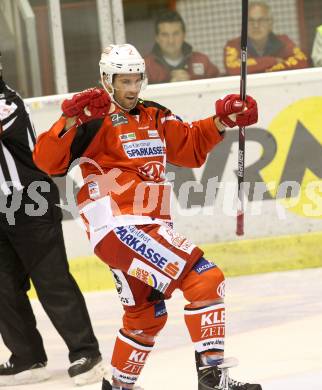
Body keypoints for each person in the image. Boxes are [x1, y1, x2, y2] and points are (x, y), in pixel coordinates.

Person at [33, 43, 261, 390]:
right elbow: (47, 162)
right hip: (120, 223)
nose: (132, 88)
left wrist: (223, 120)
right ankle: (214, 379)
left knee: (145, 315)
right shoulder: (93, 119)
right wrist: (69, 119)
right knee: (206, 279)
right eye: (124, 81)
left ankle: (119, 387)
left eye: (137, 80)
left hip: (141, 228)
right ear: (107, 80)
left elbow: (190, 145)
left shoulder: (155, 115)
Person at [0, 52, 104, 386]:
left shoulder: (7, 102)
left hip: (28, 201)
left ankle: (85, 353)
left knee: (51, 280)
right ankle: (27, 357)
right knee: (2, 287)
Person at [224, 1, 309, 75]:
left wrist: (260, 69)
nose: (256, 25)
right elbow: (233, 69)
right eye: (250, 20)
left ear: (270, 23)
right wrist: (272, 61)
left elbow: (302, 62)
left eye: (261, 20)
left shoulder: (283, 41)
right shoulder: (233, 45)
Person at [145, 10, 220, 84]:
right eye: (165, 35)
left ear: (184, 35)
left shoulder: (202, 61)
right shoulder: (146, 66)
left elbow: (219, 89)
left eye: (176, 34)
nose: (171, 41)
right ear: (157, 38)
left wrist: (191, 83)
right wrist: (168, 86)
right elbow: (140, 95)